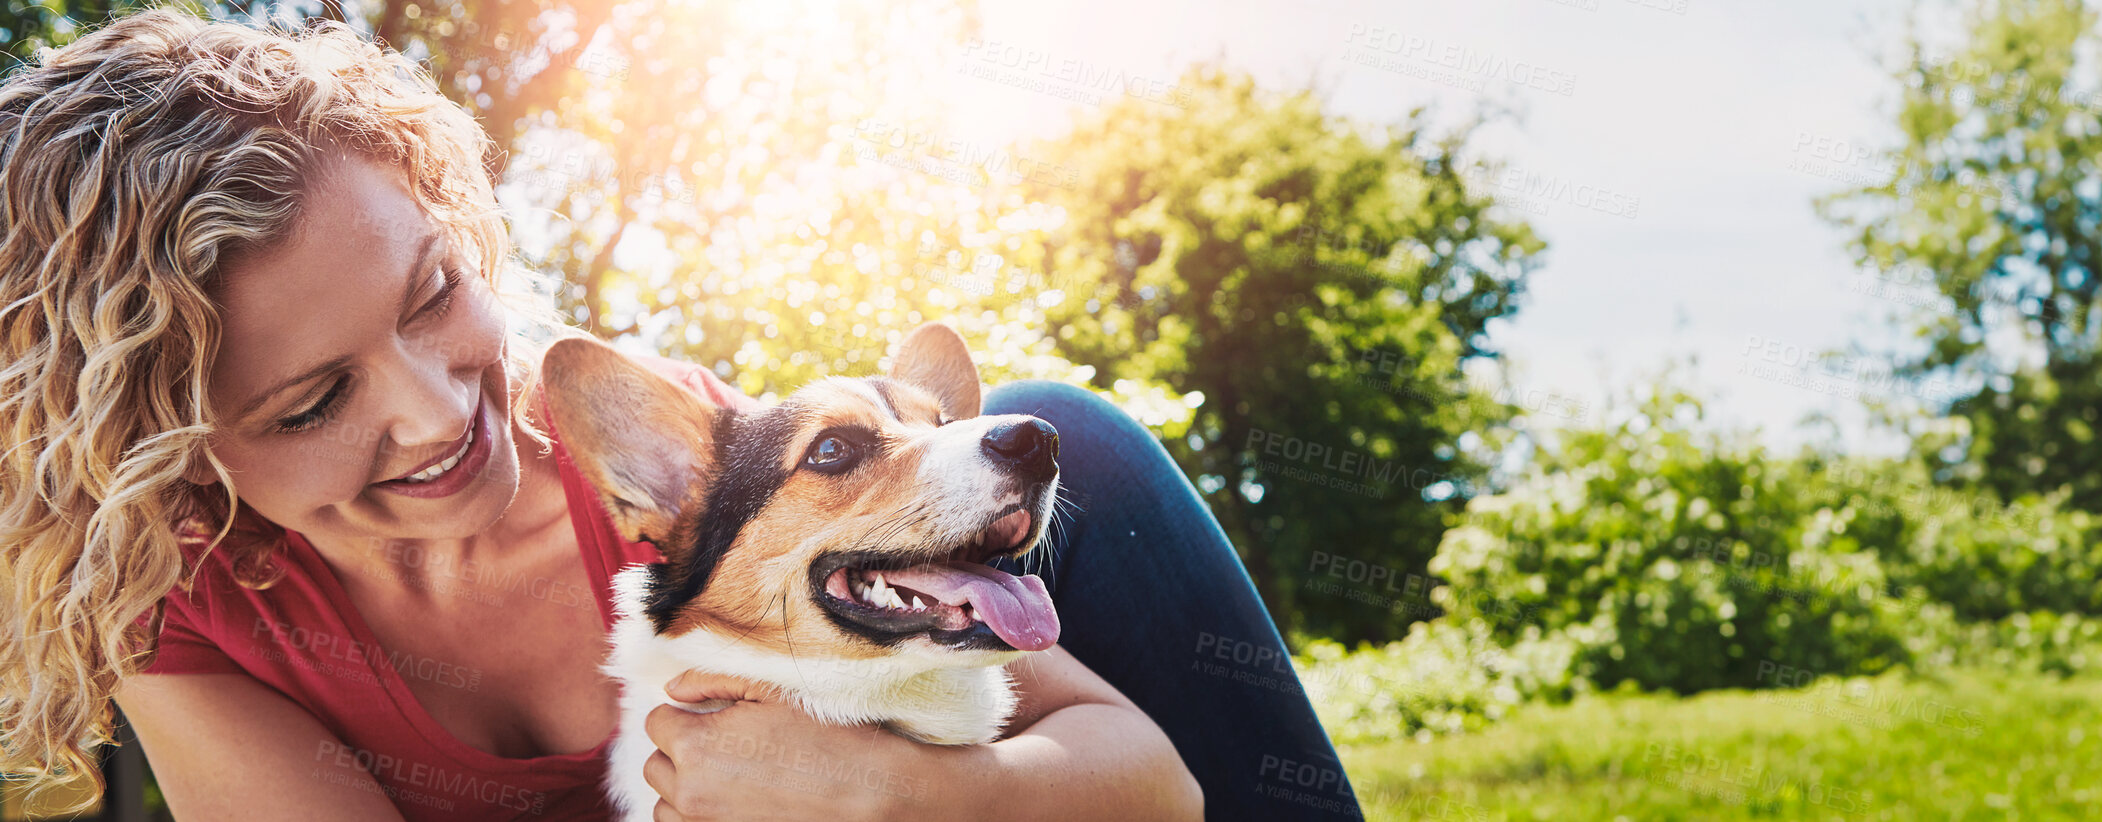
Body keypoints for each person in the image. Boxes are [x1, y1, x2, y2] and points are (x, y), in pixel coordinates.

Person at [0, 8, 1357, 820]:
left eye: (434, 294)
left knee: (1079, 434)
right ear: (169, 465)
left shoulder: (685, 480)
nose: (437, 412)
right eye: (313, 401)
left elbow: (1149, 781)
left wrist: (913, 794)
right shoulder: (189, 616)